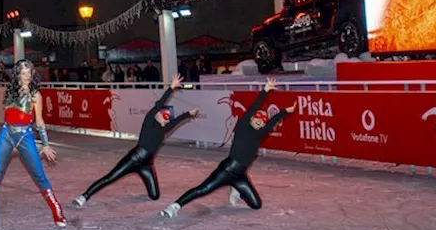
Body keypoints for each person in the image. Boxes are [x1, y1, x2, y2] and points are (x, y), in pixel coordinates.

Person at [159, 78, 295, 218]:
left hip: (240, 175)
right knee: (203, 189)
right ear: (251, 119)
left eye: (262, 122)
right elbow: (254, 106)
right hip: (227, 170)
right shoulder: (243, 126)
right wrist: (266, 90)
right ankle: (174, 206)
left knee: (256, 205)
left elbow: (272, 120)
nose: (259, 122)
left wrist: (286, 111)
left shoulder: (259, 133)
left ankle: (235, 188)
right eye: (257, 119)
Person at [72, 73, 198, 208]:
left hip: (147, 165)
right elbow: (160, 104)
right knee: (110, 177)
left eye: (164, 115)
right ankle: (84, 196)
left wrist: (188, 114)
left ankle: (145, 180)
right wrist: (171, 88)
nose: (162, 114)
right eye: (160, 113)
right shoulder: (150, 120)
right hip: (134, 158)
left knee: (155, 196)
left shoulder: (164, 129)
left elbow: (177, 120)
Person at [0, 59, 65, 230]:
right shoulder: (10, 91)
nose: (25, 76)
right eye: (22, 72)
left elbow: (39, 121)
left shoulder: (36, 95)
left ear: (33, 73)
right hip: (6, 133)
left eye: (28, 72)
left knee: (38, 175)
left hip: (25, 136)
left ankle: (57, 211)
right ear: (17, 74)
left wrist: (46, 144)